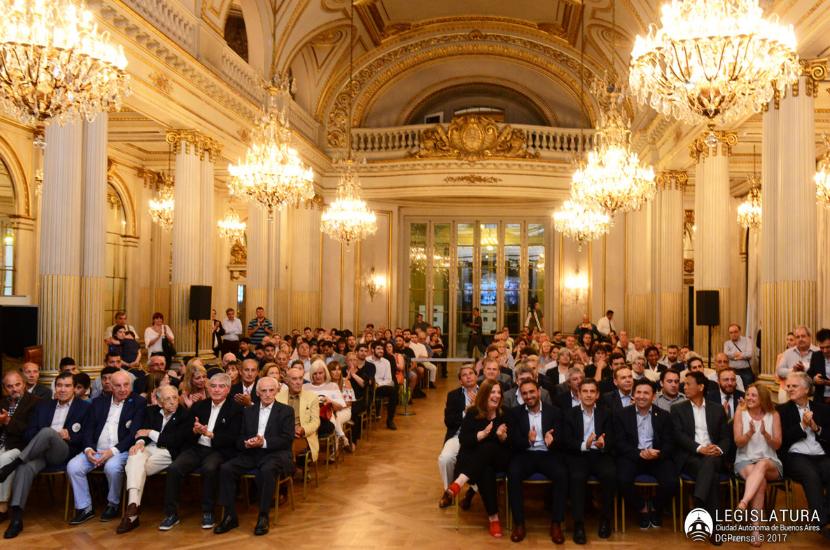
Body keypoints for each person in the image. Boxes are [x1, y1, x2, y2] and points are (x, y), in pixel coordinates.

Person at [0, 372, 91, 539]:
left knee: (48, 432)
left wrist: (70, 435)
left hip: (63, 451)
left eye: (67, 386)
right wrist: (40, 438)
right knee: (25, 467)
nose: (62, 389)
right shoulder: (44, 406)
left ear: (74, 388)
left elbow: (88, 436)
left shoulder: (84, 407)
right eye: (59, 385)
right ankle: (17, 519)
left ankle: (12, 465)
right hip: (39, 453)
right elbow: (28, 433)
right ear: (55, 387)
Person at [159, 373, 242, 531]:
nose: (216, 390)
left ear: (228, 389)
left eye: (221, 386)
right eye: (213, 386)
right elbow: (185, 433)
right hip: (197, 447)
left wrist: (211, 434)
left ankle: (208, 512)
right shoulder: (199, 406)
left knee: (209, 468)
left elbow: (234, 438)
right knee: (174, 468)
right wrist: (195, 431)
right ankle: (171, 514)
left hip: (219, 450)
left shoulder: (236, 409)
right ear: (208, 388)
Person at [215, 376, 293, 536]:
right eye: (264, 391)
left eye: (271, 390)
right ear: (257, 393)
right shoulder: (248, 411)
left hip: (274, 454)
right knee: (226, 468)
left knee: (267, 470)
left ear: (277, 391)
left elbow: (286, 439)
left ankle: (263, 516)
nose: (268, 394)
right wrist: (246, 443)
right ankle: (230, 515)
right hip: (251, 453)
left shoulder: (286, 411)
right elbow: (239, 438)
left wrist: (264, 442)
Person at [66, 370, 146, 525]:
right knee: (73, 467)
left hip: (120, 450)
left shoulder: (138, 402)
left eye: (126, 385)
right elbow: (88, 429)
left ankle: (113, 504)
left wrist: (112, 452)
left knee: (112, 467)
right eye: (118, 386)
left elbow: (133, 434)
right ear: (111, 386)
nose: (123, 389)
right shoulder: (98, 402)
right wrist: (88, 449)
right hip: (96, 450)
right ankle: (85, 508)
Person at [440, 380, 510, 538]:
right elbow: (464, 440)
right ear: (484, 394)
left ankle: (459, 482)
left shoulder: (505, 413)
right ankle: (494, 518)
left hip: (498, 459)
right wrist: (482, 434)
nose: (497, 395)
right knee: (486, 471)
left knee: (489, 447)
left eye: (499, 392)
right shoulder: (472, 413)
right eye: (493, 392)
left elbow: (511, 443)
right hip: (477, 462)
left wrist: (502, 436)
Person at [117, 384, 189, 534]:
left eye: (175, 398)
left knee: (136, 467)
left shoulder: (185, 415)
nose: (172, 402)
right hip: (149, 447)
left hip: (169, 452)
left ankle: (131, 514)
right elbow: (140, 431)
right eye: (167, 399)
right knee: (135, 455)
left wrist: (150, 433)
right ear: (159, 402)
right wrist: (139, 443)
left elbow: (174, 441)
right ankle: (133, 507)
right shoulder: (151, 411)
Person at [506, 379, 568, 544]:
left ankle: (556, 523)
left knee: (561, 474)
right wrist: (528, 441)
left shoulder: (554, 412)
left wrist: (552, 441)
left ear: (539, 392)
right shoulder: (514, 413)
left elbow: (563, 439)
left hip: (548, 454)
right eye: (524, 393)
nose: (529, 396)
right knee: (513, 473)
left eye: (531, 392)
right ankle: (519, 523)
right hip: (525, 454)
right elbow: (512, 441)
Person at [670, 371, 731, 533]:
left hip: (714, 455)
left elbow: (726, 438)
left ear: (701, 387)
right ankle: (715, 527)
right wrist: (700, 448)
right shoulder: (677, 409)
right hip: (691, 456)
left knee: (709, 462)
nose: (684, 387)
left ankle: (698, 501)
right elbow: (678, 436)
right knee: (712, 476)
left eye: (688, 384)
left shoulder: (717, 409)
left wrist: (718, 449)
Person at [614, 379, 675, 530]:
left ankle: (654, 506)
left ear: (653, 396)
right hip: (632, 457)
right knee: (621, 479)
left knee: (671, 482)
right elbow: (619, 443)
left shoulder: (664, 415)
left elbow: (669, 443)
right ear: (633, 394)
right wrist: (639, 453)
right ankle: (642, 507)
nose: (641, 396)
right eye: (638, 392)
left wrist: (658, 454)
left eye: (646, 393)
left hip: (657, 457)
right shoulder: (622, 415)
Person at [778, 371, 830, 540]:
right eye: (788, 386)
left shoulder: (822, 409)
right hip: (796, 455)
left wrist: (816, 428)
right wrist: (801, 425)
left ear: (807, 389)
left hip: (821, 454)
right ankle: (822, 523)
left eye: (794, 386)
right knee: (810, 474)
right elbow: (781, 440)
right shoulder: (782, 411)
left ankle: (826, 515)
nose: (789, 389)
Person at [563, 378, 615, 544]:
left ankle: (605, 519)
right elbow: (567, 441)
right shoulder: (569, 414)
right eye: (585, 391)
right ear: (578, 394)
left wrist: (603, 444)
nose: (588, 395)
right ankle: (579, 524)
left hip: (600, 454)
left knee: (609, 475)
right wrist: (585, 445)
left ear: (597, 395)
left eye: (592, 391)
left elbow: (612, 438)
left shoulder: (606, 413)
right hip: (579, 455)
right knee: (577, 477)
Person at [733, 383, 783, 547]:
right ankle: (756, 531)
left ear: (762, 398)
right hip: (745, 459)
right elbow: (738, 442)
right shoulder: (740, 412)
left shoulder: (773, 415)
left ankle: (744, 502)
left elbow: (777, 445)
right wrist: (749, 433)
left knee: (761, 465)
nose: (749, 398)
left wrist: (766, 435)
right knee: (760, 482)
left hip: (770, 461)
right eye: (747, 394)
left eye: (753, 395)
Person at [0, 371, 41, 520]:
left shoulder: (36, 402)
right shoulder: (2, 402)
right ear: (4, 388)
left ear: (24, 384)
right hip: (3, 443)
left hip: (22, 447)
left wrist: (8, 421)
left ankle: (2, 507)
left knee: (3, 459)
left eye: (17, 384)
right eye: (9, 386)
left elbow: (31, 432)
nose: (14, 389)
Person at [276, 366, 320, 465]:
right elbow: (275, 421)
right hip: (284, 434)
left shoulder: (312, 397)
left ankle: (289, 470)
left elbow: (315, 422)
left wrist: (303, 429)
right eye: (294, 379)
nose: (298, 382)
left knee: (289, 445)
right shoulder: (278, 397)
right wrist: (289, 430)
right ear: (287, 381)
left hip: (303, 436)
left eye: (300, 378)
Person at [304, 360, 348, 451]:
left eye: (320, 373)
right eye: (315, 373)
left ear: (325, 373)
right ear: (311, 375)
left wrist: (330, 401)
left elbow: (340, 406)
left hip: (326, 419)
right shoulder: (305, 387)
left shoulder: (332, 386)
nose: (318, 376)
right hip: (308, 418)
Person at [777, 326, 818, 403]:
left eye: (803, 336)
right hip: (790, 394)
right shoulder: (788, 353)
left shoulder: (818, 352)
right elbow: (779, 371)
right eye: (797, 337)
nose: (800, 339)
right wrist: (793, 370)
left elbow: (821, 372)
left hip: (811, 395)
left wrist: (805, 370)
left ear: (810, 337)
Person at [367, 342, 398, 430]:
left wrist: (378, 384)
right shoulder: (367, 360)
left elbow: (388, 379)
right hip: (368, 386)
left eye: (382, 349)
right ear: (372, 350)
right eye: (378, 349)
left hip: (380, 387)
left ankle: (390, 420)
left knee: (393, 391)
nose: (381, 351)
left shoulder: (386, 362)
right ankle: (367, 417)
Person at [724, 324, 754, 388]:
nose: (733, 334)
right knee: (734, 389)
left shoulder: (747, 340)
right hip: (733, 371)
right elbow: (726, 354)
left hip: (746, 371)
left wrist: (734, 356)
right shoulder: (727, 343)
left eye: (735, 332)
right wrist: (741, 355)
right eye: (731, 332)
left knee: (748, 389)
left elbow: (749, 354)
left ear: (740, 331)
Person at [807, 328, 830, 405]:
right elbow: (809, 374)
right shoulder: (816, 356)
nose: (825, 351)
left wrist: (828, 383)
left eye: (828, 347)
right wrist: (814, 379)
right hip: (820, 400)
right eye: (822, 347)